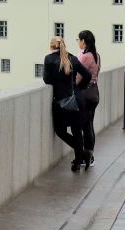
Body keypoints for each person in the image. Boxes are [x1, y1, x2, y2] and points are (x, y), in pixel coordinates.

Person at [43, 36, 91, 172]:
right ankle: (78, 160)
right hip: (77, 99)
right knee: (77, 131)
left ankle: (83, 154)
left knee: (60, 131)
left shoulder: (49, 59)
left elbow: (46, 79)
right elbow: (87, 75)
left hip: (62, 101)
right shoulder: (73, 58)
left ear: (52, 46)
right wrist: (79, 89)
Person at [76, 30, 101, 166]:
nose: (78, 42)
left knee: (84, 126)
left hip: (85, 95)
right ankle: (90, 156)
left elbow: (78, 76)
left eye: (78, 40)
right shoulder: (96, 55)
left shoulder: (86, 57)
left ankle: (87, 157)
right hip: (94, 92)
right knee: (89, 124)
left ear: (83, 41)